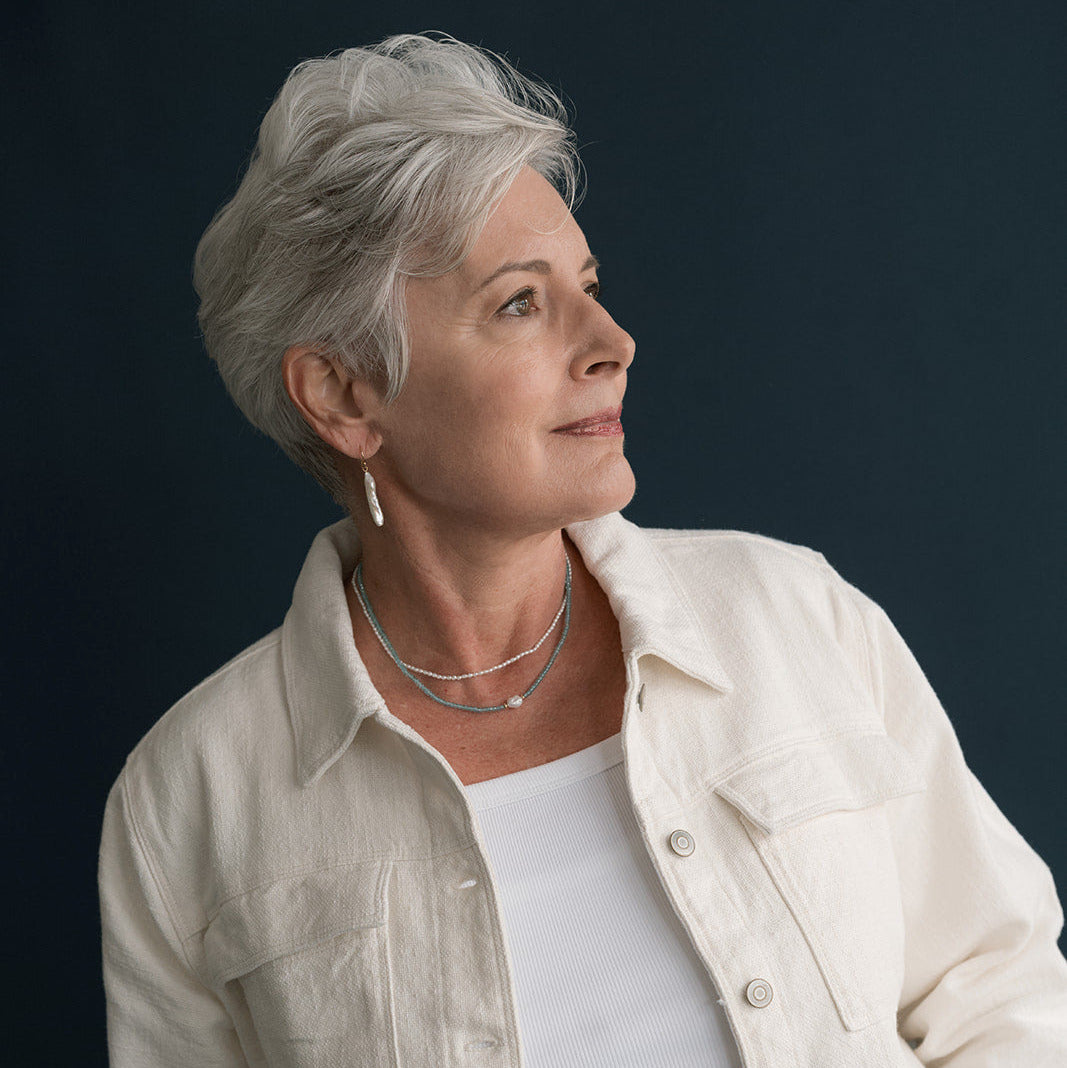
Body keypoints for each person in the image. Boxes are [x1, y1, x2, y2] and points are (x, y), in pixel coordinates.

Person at [98, 33, 1067, 1067]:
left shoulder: (791, 617)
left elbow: (999, 989)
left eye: (589, 284)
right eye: (519, 302)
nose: (611, 342)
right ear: (343, 394)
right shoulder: (191, 798)